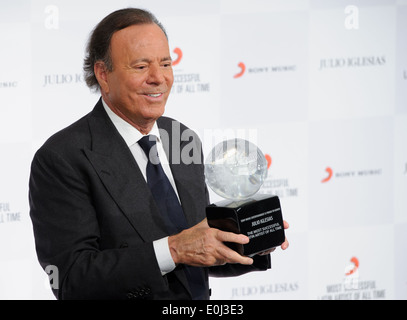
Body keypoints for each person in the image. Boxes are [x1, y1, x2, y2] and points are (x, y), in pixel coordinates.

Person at [29, 8, 289, 300]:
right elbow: (72, 280)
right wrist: (174, 249)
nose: (158, 78)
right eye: (141, 67)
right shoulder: (62, 157)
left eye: (165, 64)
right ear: (103, 74)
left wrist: (249, 241)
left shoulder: (181, 138)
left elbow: (194, 259)